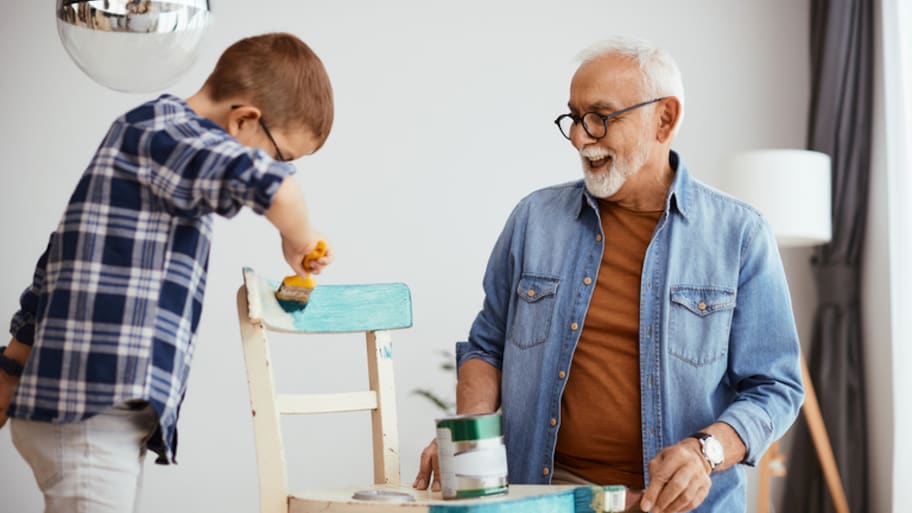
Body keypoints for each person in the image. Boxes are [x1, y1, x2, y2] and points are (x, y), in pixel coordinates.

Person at [413, 36, 804, 513]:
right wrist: (467, 441)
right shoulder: (534, 219)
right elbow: (488, 344)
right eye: (574, 118)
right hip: (544, 498)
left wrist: (706, 452)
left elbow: (776, 386)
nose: (581, 137)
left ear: (665, 119)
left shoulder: (740, 234)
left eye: (600, 116)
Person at [0, 32, 334, 513]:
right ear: (243, 120)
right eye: (283, 156)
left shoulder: (151, 146)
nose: (281, 168)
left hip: (85, 407)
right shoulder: (167, 133)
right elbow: (278, 190)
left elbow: (57, 265)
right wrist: (299, 241)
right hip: (93, 406)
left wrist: (11, 367)